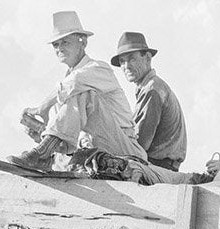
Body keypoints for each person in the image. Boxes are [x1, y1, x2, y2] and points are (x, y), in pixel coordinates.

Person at [14, 11, 151, 168]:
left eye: (65, 42)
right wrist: (40, 134)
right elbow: (68, 137)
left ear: (83, 42)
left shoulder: (98, 69)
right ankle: (44, 152)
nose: (60, 49)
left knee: (85, 93)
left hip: (124, 148)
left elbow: (74, 83)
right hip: (93, 150)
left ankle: (41, 153)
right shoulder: (67, 83)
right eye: (56, 44)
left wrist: (41, 108)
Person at [111, 32, 187, 171]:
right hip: (161, 165)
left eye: (132, 59)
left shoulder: (152, 90)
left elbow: (139, 146)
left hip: (158, 167)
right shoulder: (152, 87)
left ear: (147, 58)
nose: (126, 66)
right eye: (122, 61)